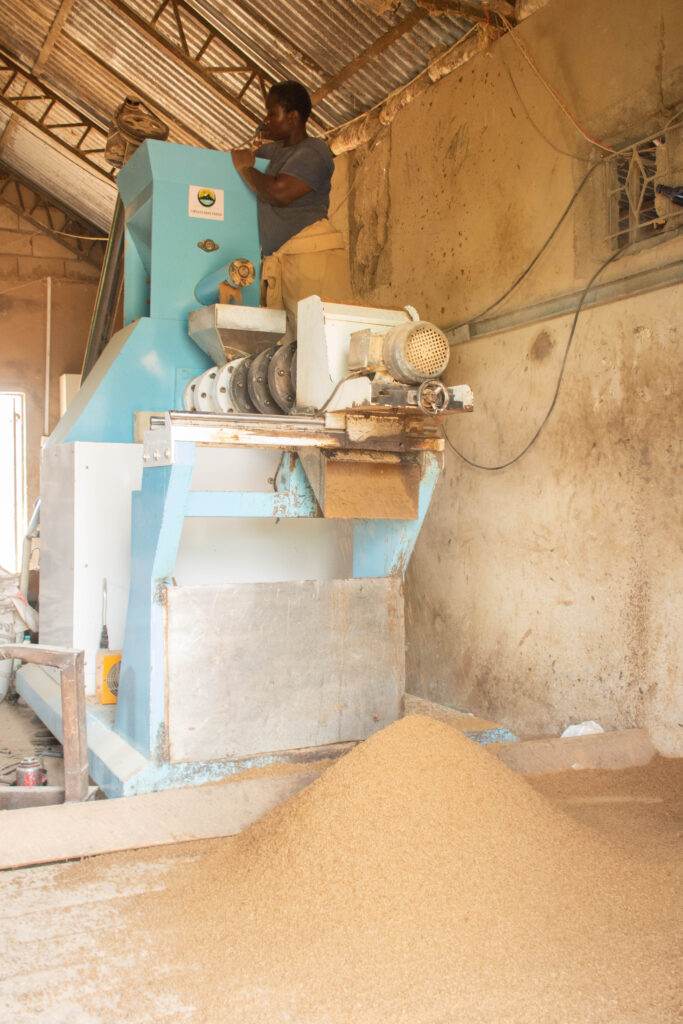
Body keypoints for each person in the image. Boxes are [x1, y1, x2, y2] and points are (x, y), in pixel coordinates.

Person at [231, 80, 350, 342]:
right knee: (287, 350)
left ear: (293, 117)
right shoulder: (271, 152)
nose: (267, 120)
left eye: (272, 113)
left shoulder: (315, 151)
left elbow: (280, 193)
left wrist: (245, 168)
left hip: (309, 258)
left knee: (319, 341)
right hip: (281, 263)